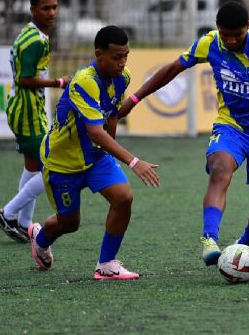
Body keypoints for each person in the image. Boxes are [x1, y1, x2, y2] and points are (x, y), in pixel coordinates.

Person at [118, 1, 249, 266]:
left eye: (237, 35)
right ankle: (209, 239)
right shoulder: (209, 43)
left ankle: (240, 249)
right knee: (220, 169)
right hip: (230, 126)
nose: (230, 40)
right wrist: (134, 100)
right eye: (225, 34)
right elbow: (172, 69)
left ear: (248, 28)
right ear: (217, 29)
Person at [28, 25, 160, 280]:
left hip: (96, 157)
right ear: (99, 54)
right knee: (70, 223)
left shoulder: (123, 77)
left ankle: (107, 264)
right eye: (116, 57)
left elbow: (110, 116)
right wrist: (133, 161)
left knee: (123, 198)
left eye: (126, 56)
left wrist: (112, 152)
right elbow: (95, 132)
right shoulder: (84, 82)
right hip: (62, 163)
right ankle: (40, 238)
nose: (122, 63)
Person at [0, 0, 71, 243]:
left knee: (33, 166)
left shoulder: (34, 35)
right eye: (45, 8)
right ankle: (8, 213)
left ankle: (24, 223)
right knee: (50, 168)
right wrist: (59, 83)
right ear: (33, 9)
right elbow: (26, 79)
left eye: (54, 7)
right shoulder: (35, 40)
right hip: (27, 111)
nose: (51, 12)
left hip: (27, 108)